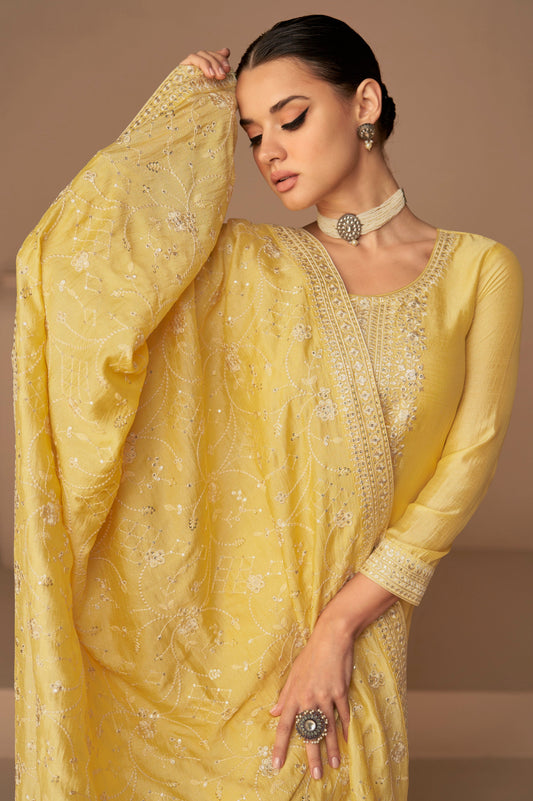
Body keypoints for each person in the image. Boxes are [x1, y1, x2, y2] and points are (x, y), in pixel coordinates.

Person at [14, 14, 522, 801]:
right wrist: (178, 115)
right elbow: (80, 261)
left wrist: (337, 626)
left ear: (363, 103)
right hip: (223, 655)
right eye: (252, 134)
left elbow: (469, 458)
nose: (269, 152)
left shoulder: (476, 269)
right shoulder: (245, 268)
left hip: (361, 624)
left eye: (290, 119)